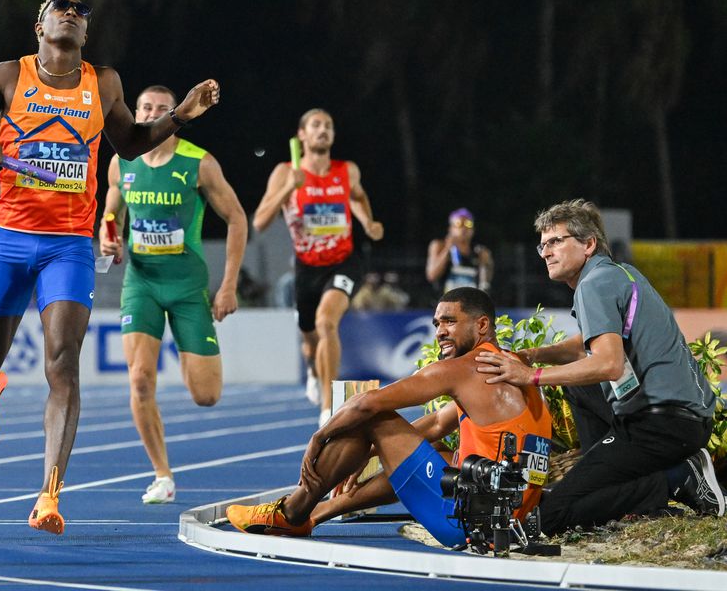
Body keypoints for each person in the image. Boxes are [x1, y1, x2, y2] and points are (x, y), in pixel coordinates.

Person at [0, 0, 220, 534]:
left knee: (61, 365)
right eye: (59, 8)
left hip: (68, 243)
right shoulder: (7, 76)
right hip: (10, 238)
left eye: (81, 12)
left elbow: (131, 144)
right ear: (38, 25)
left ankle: (49, 494)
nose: (71, 13)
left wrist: (182, 115)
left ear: (85, 34)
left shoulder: (104, 82)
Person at [226, 288, 552, 549]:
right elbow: (438, 422)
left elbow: (367, 404)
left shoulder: (462, 370)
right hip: (511, 524)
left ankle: (290, 512)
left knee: (372, 417)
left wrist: (319, 438)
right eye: (437, 323)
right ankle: (321, 511)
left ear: (481, 325)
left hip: (467, 526)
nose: (439, 332)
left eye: (450, 322)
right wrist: (371, 453)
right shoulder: (511, 367)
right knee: (436, 449)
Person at [476, 199, 724, 533]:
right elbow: (586, 343)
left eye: (555, 242)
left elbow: (608, 364)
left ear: (588, 244)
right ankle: (613, 479)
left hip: (662, 423)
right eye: (543, 245)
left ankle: (675, 479)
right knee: (577, 385)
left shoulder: (592, 286)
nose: (546, 252)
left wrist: (530, 375)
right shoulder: (619, 274)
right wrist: (533, 354)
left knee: (548, 517)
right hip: (683, 419)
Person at [98, 84, 247, 504]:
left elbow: (237, 218)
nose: (152, 114)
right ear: (136, 113)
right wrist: (110, 238)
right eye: (146, 107)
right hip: (141, 283)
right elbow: (111, 212)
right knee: (140, 379)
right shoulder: (121, 163)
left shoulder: (199, 164)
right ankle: (162, 475)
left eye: (163, 109)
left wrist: (229, 284)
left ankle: (188, 353)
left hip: (187, 286)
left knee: (206, 395)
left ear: (176, 114)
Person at [252, 109, 384, 424]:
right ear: (302, 135)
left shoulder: (346, 170)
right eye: (316, 125)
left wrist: (367, 221)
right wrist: (288, 189)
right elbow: (259, 222)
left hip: (344, 261)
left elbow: (358, 197)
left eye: (328, 125)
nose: (323, 130)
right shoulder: (285, 172)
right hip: (306, 267)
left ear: (333, 135)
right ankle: (313, 368)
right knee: (310, 338)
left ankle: (328, 408)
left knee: (327, 323)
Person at [426, 208, 492, 293]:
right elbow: (432, 275)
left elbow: (485, 284)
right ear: (450, 228)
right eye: (458, 224)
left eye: (468, 224)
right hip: (443, 303)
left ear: (473, 230)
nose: (464, 228)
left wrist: (485, 264)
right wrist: (447, 249)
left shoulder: (477, 252)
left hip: (468, 303)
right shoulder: (440, 245)